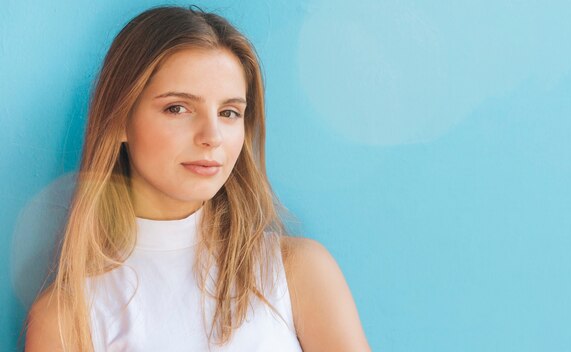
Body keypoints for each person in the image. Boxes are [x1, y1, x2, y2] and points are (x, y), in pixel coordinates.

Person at [23, 5, 370, 352]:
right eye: (178, 108)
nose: (212, 135)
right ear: (118, 120)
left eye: (229, 112)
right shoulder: (66, 319)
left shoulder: (298, 272)